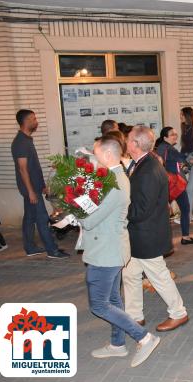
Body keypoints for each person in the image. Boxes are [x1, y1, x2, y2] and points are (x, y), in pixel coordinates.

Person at [75, 136, 160, 367]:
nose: (94, 158)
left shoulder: (115, 184)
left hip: (106, 252)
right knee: (112, 299)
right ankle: (117, 345)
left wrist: (74, 207)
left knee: (99, 305)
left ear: (107, 155)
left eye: (96, 154)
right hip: (110, 248)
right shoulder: (114, 177)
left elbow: (91, 220)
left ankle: (144, 337)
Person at [123, 126, 189, 332]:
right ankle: (134, 315)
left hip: (146, 233)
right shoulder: (140, 163)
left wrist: (118, 213)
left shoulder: (149, 169)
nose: (125, 142)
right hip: (139, 233)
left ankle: (179, 313)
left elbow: (142, 208)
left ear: (135, 144)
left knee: (158, 275)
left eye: (128, 140)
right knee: (130, 273)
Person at [10, 109, 68, 258]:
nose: (37, 122)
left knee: (29, 217)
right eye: (34, 119)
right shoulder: (21, 142)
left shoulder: (26, 139)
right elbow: (23, 169)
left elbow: (32, 167)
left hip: (34, 187)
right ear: (27, 121)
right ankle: (52, 250)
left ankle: (29, 247)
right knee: (42, 218)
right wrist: (30, 191)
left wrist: (41, 185)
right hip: (30, 189)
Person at [156, 127, 193, 244]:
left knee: (166, 211)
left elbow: (177, 163)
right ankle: (182, 237)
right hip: (173, 184)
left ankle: (180, 237)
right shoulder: (167, 148)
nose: (175, 136)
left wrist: (185, 166)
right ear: (165, 137)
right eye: (172, 135)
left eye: (175, 134)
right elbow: (182, 158)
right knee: (182, 209)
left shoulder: (163, 148)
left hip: (171, 184)